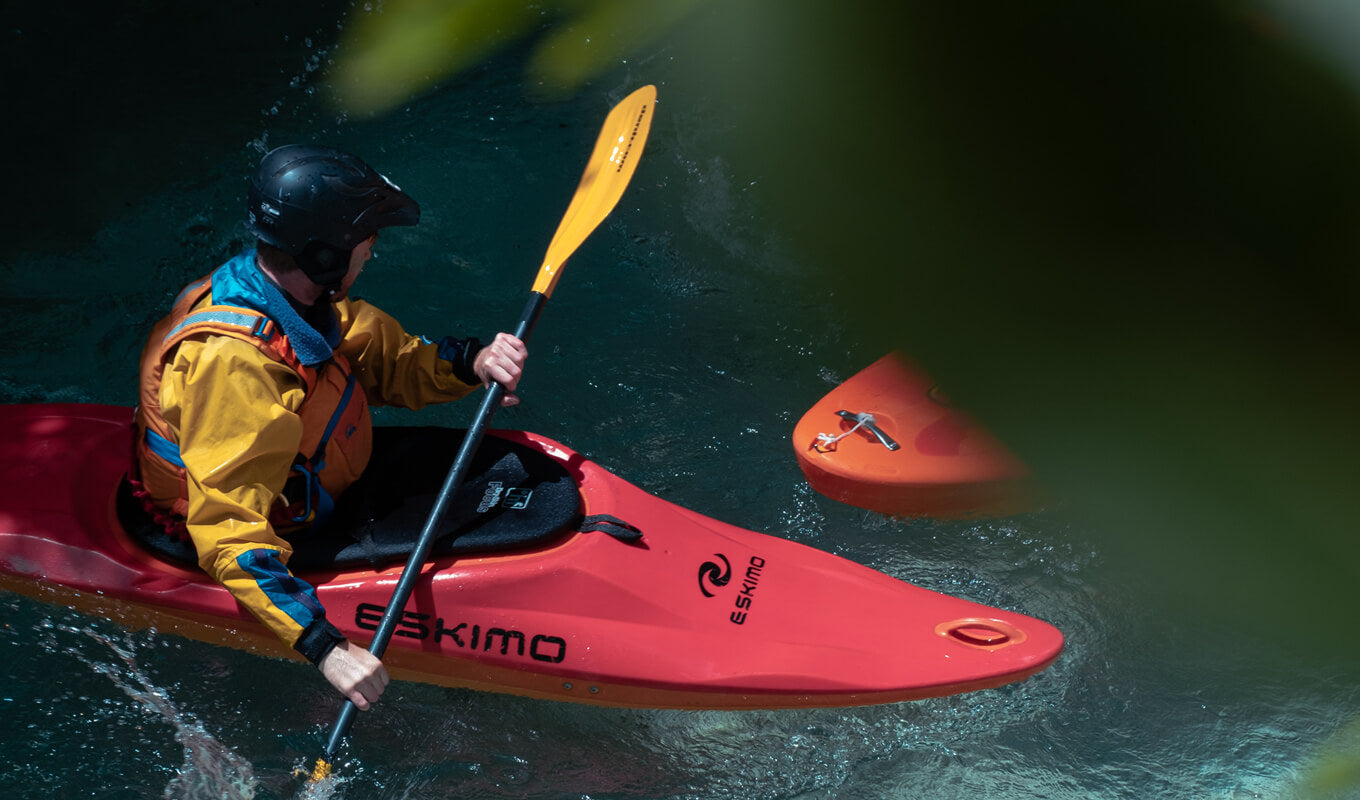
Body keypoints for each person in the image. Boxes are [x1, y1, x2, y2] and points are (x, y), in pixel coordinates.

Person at [129, 144, 528, 711]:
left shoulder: (297, 300)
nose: (374, 249)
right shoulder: (236, 368)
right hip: (241, 525)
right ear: (323, 257)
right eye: (366, 240)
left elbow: (381, 357)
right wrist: (326, 647)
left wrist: (472, 363)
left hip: (312, 476)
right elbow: (228, 532)